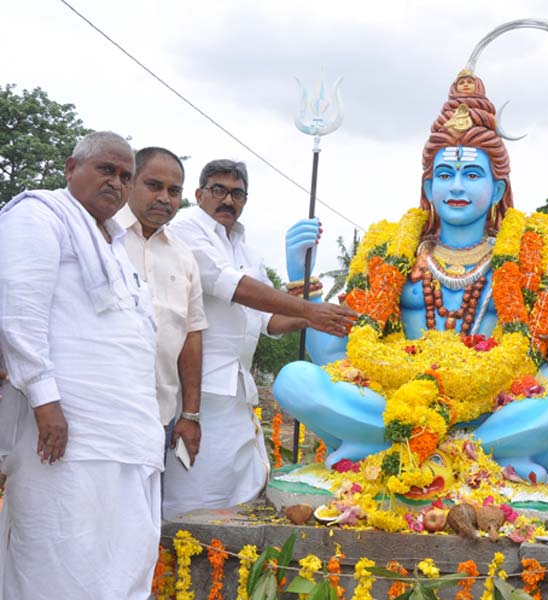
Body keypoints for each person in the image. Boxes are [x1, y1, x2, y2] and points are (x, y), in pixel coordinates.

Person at [274, 70, 548, 486]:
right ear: (429, 184)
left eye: (472, 175)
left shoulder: (529, 252)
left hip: (500, 407)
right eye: (445, 175)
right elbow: (330, 352)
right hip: (392, 398)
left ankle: (413, 449)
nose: (457, 187)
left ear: (497, 185)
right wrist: (299, 273)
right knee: (294, 381)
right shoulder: (392, 251)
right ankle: (478, 452)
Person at [0, 131, 164, 598]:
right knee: (58, 557)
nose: (116, 181)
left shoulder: (115, 244)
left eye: (124, 176)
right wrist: (44, 400)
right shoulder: (38, 215)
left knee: (123, 556)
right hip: (63, 429)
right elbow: (19, 311)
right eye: (105, 169)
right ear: (72, 168)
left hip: (126, 432)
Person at [163, 159, 357, 515]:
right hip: (197, 392)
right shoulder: (187, 229)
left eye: (237, 193)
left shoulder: (245, 247)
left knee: (241, 493)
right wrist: (310, 312)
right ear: (199, 194)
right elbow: (231, 286)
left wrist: (328, 316)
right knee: (193, 494)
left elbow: (270, 319)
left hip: (238, 391)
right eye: (218, 190)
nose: (228, 200)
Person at [115, 147, 206, 472]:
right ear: (129, 182)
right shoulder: (101, 237)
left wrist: (190, 415)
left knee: (148, 516)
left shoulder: (183, 256)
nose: (165, 198)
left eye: (174, 191)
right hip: (100, 410)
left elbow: (191, 335)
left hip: (160, 414)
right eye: (153, 186)